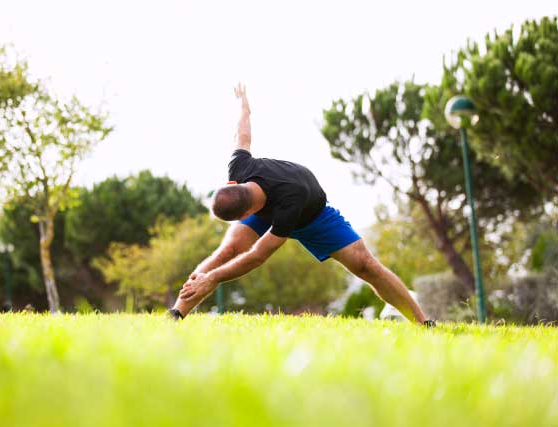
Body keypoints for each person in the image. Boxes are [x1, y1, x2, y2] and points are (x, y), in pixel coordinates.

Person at [169, 84, 434, 326]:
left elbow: (258, 255)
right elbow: (243, 134)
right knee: (226, 250)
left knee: (366, 265)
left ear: (248, 212)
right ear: (231, 184)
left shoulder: (290, 197)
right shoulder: (240, 167)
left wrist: (214, 278)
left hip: (313, 217)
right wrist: (244, 107)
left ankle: (422, 323)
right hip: (268, 206)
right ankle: (176, 314)